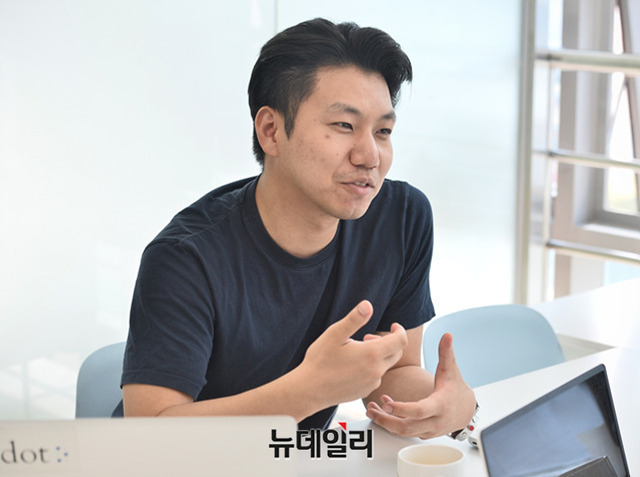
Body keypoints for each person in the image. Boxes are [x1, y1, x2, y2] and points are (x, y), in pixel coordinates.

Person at [118, 17, 476, 439]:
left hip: (294, 459)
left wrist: (446, 402)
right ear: (271, 131)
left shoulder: (401, 218)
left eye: (383, 131)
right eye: (344, 126)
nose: (369, 156)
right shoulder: (186, 258)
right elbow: (149, 440)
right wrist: (308, 391)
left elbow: (394, 372)